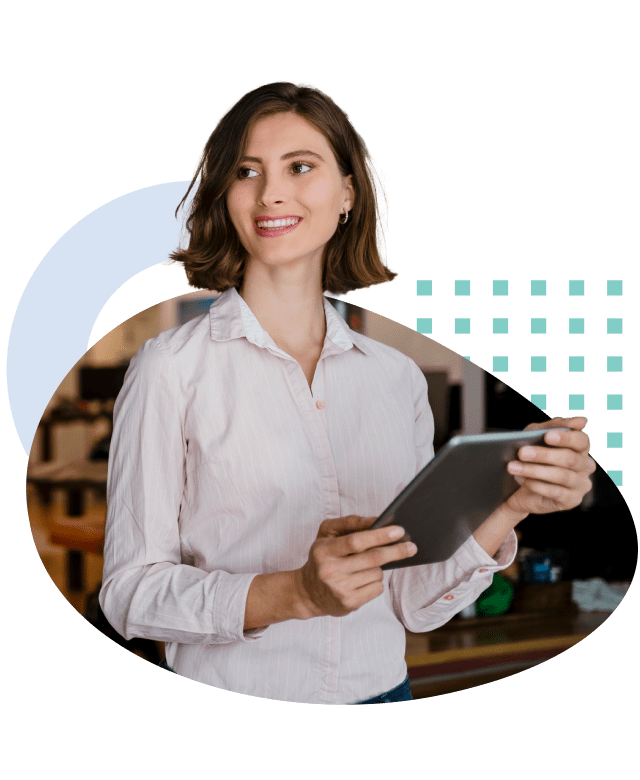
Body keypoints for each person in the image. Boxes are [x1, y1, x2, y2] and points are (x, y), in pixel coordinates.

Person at [99, 81, 595, 705]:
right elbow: (128, 595)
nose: (271, 192)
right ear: (224, 196)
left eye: (300, 167)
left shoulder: (394, 377)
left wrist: (511, 499)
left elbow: (415, 602)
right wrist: (296, 593)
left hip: (386, 694)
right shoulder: (169, 368)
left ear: (348, 194)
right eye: (246, 171)